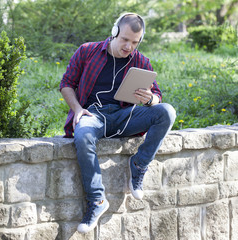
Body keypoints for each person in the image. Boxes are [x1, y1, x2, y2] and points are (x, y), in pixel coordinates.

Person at [59, 13, 176, 233]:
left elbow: (158, 95)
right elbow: (66, 84)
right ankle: (97, 200)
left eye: (135, 42)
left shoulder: (141, 61)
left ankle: (139, 165)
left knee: (167, 112)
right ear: (114, 32)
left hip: (125, 116)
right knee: (82, 134)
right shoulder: (87, 51)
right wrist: (77, 110)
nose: (129, 46)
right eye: (125, 39)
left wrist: (150, 99)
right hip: (93, 115)